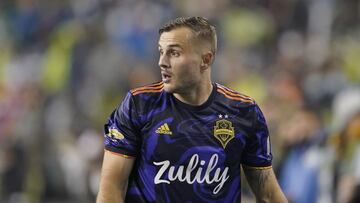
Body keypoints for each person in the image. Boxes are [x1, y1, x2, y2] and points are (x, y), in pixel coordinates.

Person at [97, 16, 287, 203]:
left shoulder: (244, 112)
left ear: (206, 60)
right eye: (161, 52)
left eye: (174, 53)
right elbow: (111, 190)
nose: (162, 62)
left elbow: (268, 195)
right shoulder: (139, 105)